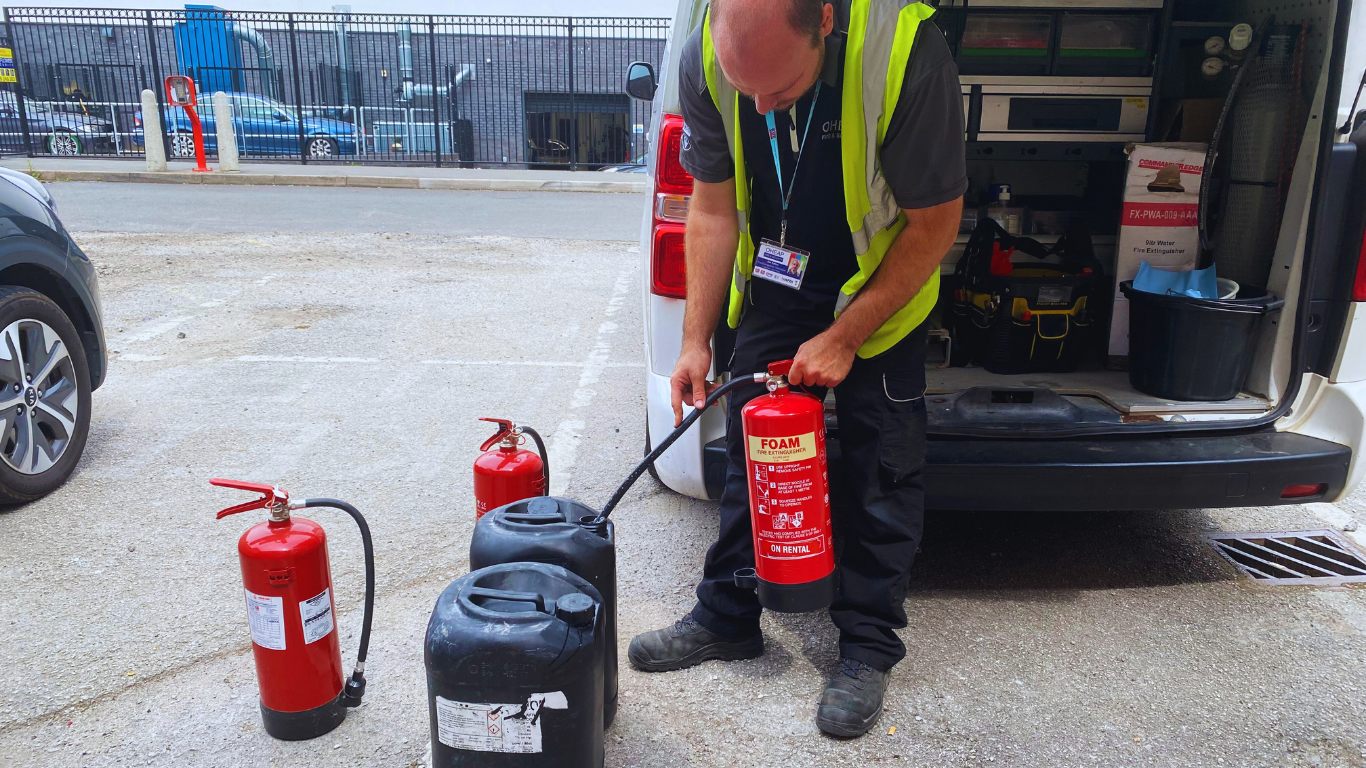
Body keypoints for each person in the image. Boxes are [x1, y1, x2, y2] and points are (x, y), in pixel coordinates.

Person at [626, 0, 965, 739]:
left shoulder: (905, 52)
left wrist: (846, 335)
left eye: (778, 92)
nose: (758, 106)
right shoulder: (712, 53)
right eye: (745, 89)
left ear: (826, 21)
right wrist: (694, 341)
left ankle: (867, 648)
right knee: (755, 449)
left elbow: (936, 222)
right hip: (779, 283)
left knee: (882, 468)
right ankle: (728, 614)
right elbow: (712, 210)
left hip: (881, 289)